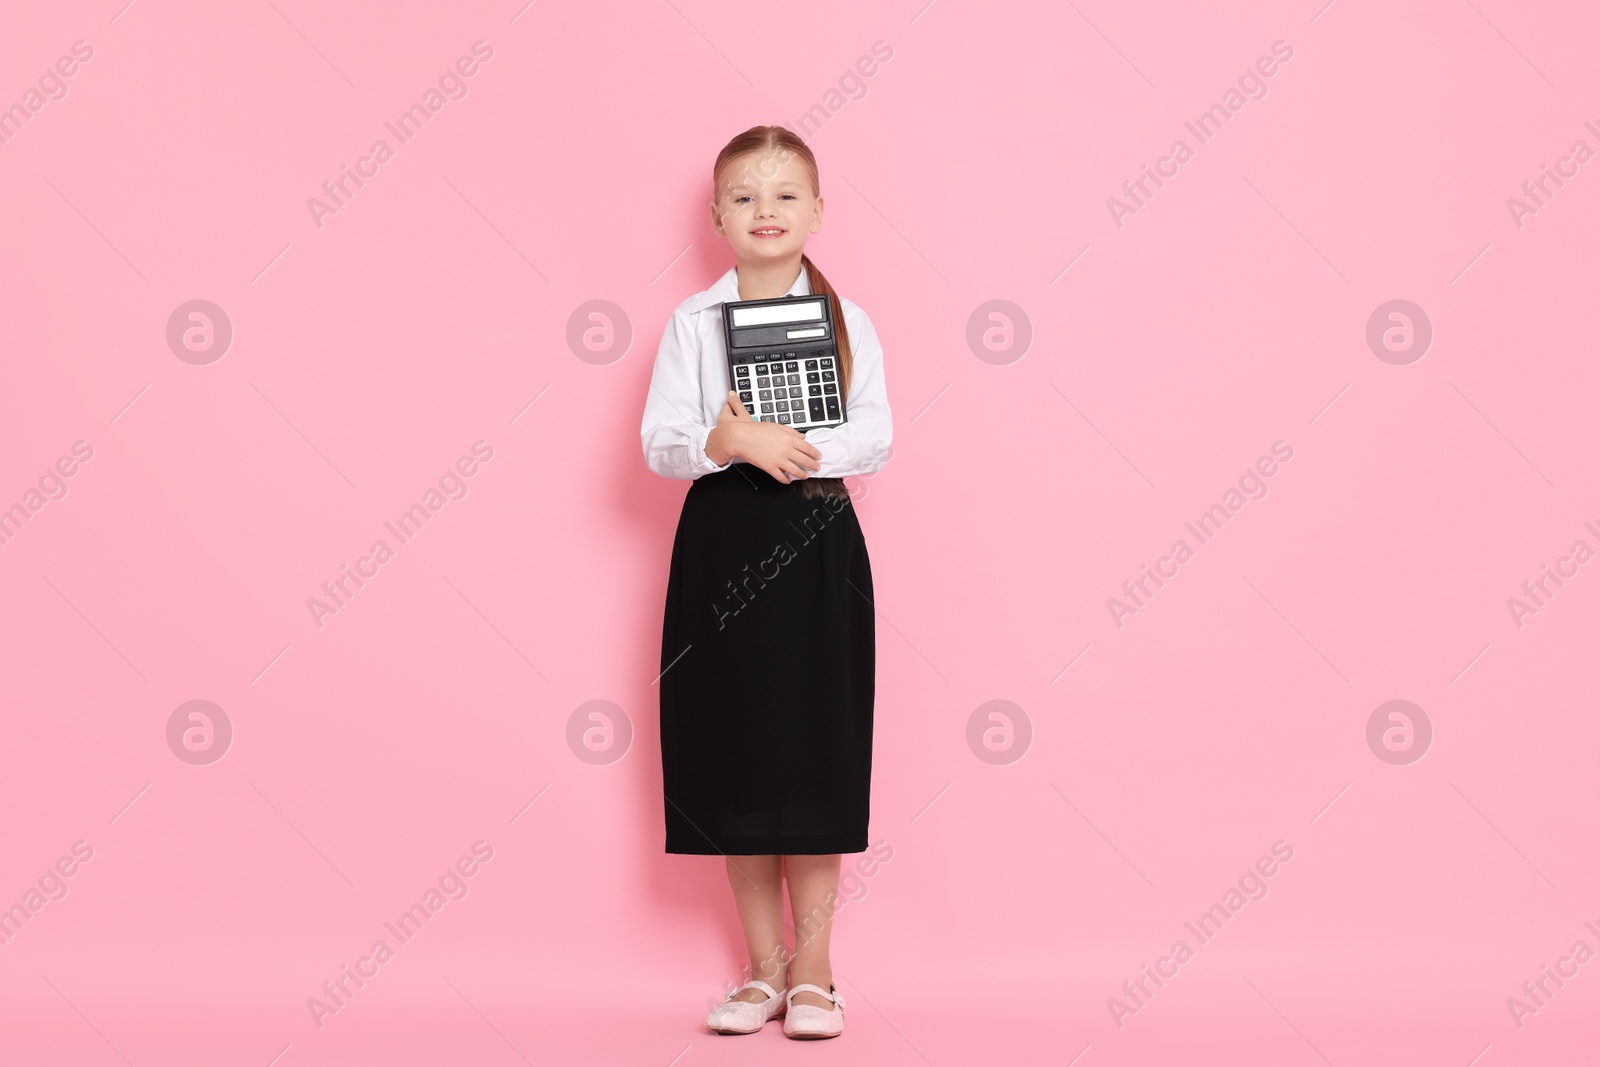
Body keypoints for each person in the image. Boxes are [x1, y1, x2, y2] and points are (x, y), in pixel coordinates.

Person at [639, 124, 892, 1040]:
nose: (766, 211)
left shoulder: (847, 320)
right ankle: (763, 972)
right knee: (736, 748)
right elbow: (659, 440)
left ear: (817, 212)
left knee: (814, 748)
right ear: (716, 216)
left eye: (786, 195)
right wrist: (725, 438)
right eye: (744, 196)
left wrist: (792, 442)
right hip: (720, 542)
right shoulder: (690, 323)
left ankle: (818, 974)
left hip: (819, 538)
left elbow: (879, 432)